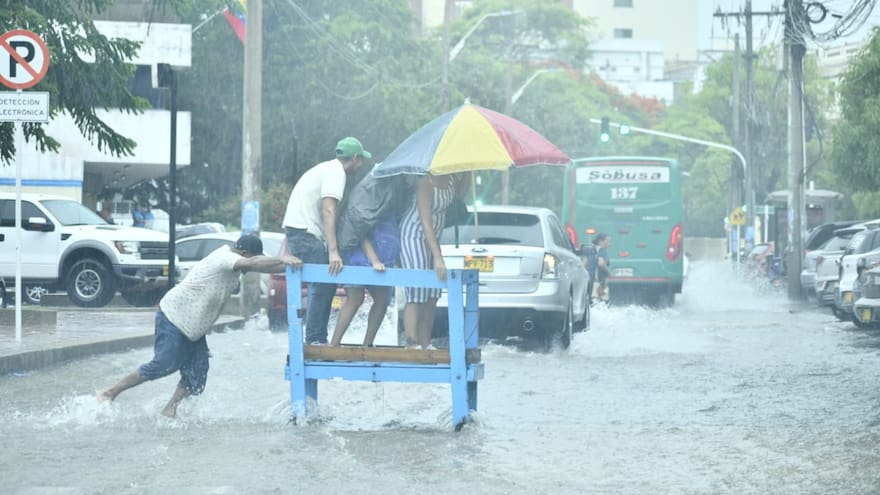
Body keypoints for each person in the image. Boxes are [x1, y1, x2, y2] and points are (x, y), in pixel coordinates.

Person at [97, 235, 303, 417]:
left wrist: (291, 264)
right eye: (250, 258)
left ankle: (169, 409)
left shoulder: (236, 260)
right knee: (163, 363)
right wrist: (282, 258)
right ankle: (109, 392)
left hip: (193, 327)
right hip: (174, 316)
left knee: (198, 372)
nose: (250, 267)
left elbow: (261, 264)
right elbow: (256, 263)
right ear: (244, 253)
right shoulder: (224, 258)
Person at [282, 136, 370, 344]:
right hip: (303, 232)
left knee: (323, 283)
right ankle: (314, 339)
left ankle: (316, 337)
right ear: (355, 158)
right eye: (361, 161)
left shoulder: (327, 168)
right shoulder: (337, 173)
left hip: (299, 231)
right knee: (324, 282)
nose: (361, 165)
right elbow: (328, 211)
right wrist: (333, 251)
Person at [330, 173, 408, 347]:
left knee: (382, 299)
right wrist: (373, 260)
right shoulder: (365, 202)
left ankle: (367, 344)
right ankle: (334, 343)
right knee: (355, 297)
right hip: (360, 258)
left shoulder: (392, 206)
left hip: (384, 261)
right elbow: (360, 232)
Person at [398, 172, 468, 349]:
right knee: (417, 289)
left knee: (433, 293)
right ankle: (411, 343)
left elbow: (460, 197)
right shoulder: (425, 182)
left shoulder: (451, 179)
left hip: (434, 236)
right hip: (414, 234)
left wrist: (468, 172)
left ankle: (425, 342)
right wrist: (438, 258)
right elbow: (425, 221)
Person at [593, 233, 612, 301]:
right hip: (601, 281)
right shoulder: (602, 250)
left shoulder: (592, 250)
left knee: (594, 302)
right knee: (602, 303)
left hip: (592, 281)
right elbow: (601, 263)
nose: (609, 244)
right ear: (600, 241)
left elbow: (585, 264)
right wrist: (609, 273)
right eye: (608, 241)